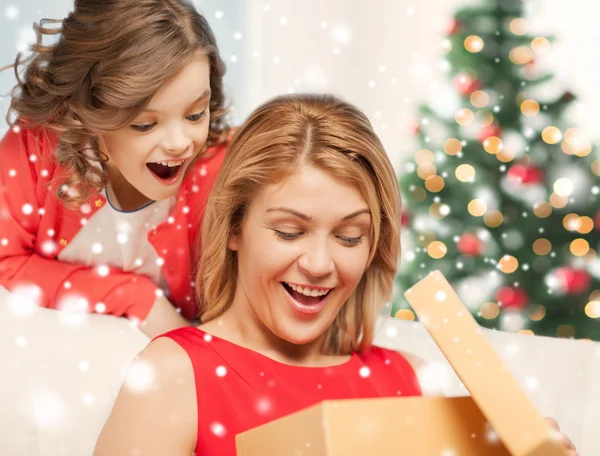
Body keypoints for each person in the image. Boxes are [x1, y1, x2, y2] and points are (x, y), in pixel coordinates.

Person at [93, 94, 577, 456]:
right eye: (289, 231)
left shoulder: (411, 379)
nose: (320, 265)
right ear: (235, 227)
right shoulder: (172, 375)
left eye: (349, 238)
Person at [0, 0, 231, 338]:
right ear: (87, 113)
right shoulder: (37, 146)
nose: (180, 143)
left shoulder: (224, 173)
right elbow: (5, 262)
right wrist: (133, 296)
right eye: (145, 124)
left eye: (195, 114)